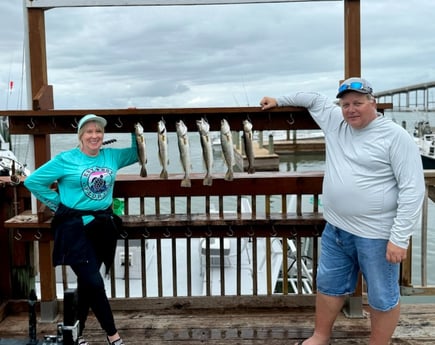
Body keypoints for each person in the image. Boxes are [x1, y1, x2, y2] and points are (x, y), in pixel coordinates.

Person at [260, 77, 425, 345]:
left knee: (383, 296)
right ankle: (320, 336)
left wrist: (399, 237)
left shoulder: (396, 136)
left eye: (358, 103)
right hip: (336, 228)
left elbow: (413, 189)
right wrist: (279, 100)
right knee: (328, 286)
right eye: (345, 104)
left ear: (373, 103)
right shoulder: (336, 123)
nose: (351, 109)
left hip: (378, 234)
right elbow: (312, 98)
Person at [24, 114, 139, 345]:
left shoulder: (112, 156)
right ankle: (113, 336)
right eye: (89, 132)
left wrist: (133, 123)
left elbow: (137, 153)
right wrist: (59, 205)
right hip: (75, 229)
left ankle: (76, 334)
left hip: (103, 227)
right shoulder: (66, 159)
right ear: (81, 136)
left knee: (88, 284)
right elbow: (33, 181)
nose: (94, 136)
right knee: (95, 283)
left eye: (98, 131)